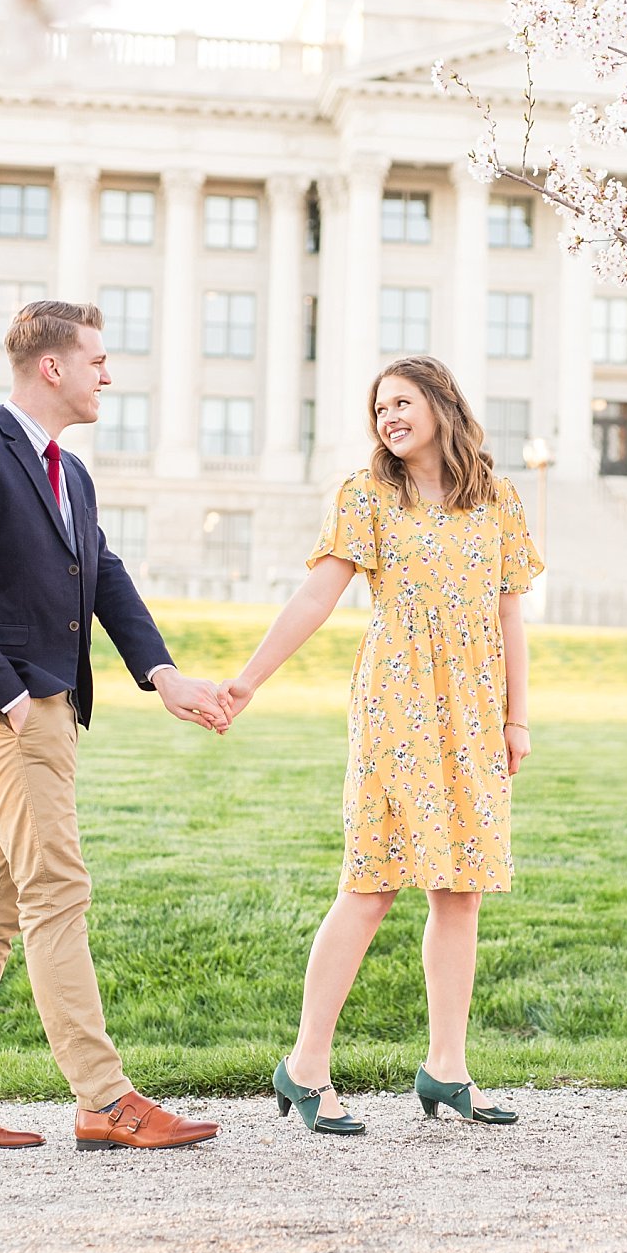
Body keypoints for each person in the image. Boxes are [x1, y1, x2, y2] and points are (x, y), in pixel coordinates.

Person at [0, 299, 227, 1152]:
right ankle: (105, 1100)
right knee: (58, 891)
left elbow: (104, 576)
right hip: (7, 713)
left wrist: (163, 675)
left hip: (43, 707)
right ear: (53, 367)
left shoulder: (69, 474)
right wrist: (9, 698)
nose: (106, 375)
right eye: (97, 360)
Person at [221, 355, 542, 1135]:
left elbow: (509, 619)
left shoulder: (497, 499)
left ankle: (447, 1069)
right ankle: (304, 1067)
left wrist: (517, 718)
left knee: (459, 887)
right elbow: (316, 596)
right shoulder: (367, 496)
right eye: (379, 408)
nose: (388, 417)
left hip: (472, 706)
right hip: (398, 700)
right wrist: (248, 681)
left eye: (402, 402)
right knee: (373, 883)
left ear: (440, 404)